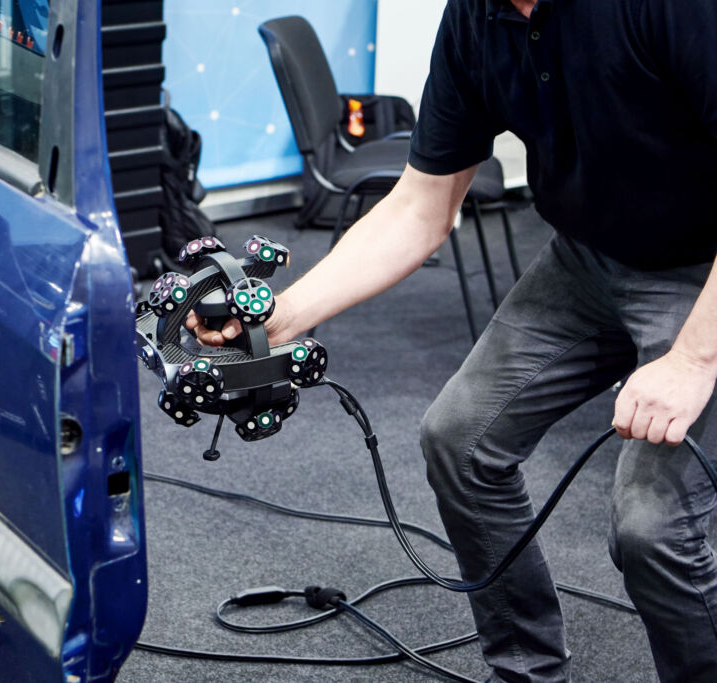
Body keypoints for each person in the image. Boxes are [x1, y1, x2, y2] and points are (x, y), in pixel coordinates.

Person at [187, 1, 717, 680]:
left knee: (653, 528)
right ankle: (525, 669)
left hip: (700, 276)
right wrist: (282, 317)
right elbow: (421, 204)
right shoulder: (475, 17)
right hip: (587, 259)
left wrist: (696, 356)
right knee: (459, 439)